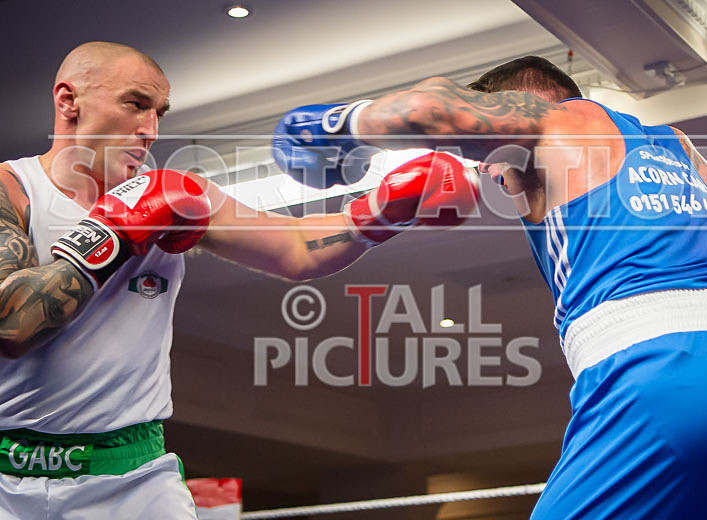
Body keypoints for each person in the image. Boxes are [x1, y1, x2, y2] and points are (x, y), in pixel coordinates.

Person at [273, 55, 707, 519]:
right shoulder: (683, 147)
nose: (490, 175)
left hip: (660, 375)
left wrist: (340, 128)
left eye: (488, 160)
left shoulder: (557, 121)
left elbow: (430, 108)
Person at [0, 41, 479, 519]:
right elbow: (11, 326)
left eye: (159, 113)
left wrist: (385, 210)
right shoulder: (13, 190)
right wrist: (117, 231)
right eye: (135, 104)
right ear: (69, 100)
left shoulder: (181, 194)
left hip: (133, 479)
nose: (150, 130)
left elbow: (295, 248)